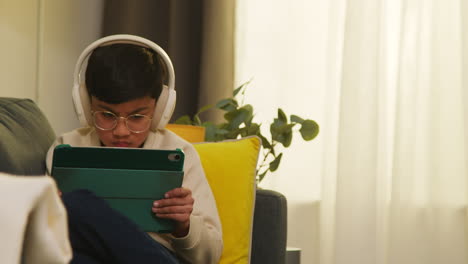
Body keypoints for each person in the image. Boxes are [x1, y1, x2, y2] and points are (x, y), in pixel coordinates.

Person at [46, 35, 223, 264]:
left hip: (155, 254)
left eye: (137, 116)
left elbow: (212, 255)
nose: (121, 131)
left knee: (78, 202)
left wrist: (184, 226)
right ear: (86, 105)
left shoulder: (180, 153)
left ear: (160, 111)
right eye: (107, 115)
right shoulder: (66, 148)